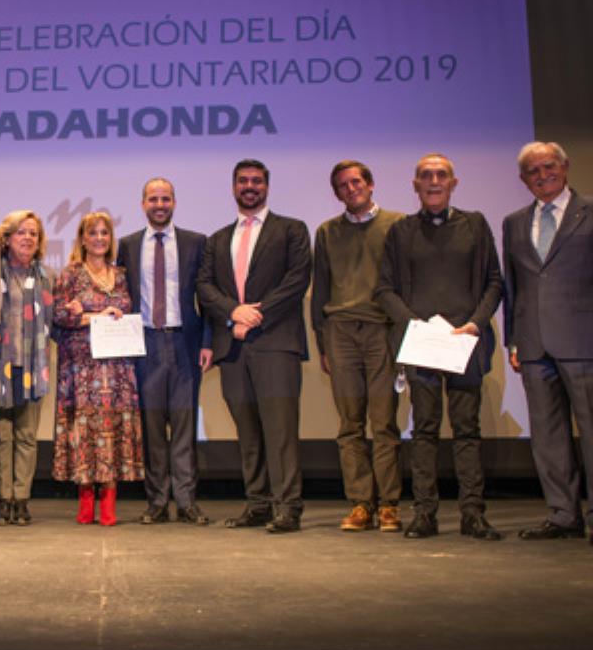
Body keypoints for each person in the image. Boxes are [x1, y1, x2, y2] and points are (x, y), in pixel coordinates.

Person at [376, 153, 503, 540]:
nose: (434, 181)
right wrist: (413, 325)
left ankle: (472, 514)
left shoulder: (475, 225)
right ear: (415, 185)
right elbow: (384, 289)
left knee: (467, 430)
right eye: (426, 176)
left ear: (453, 183)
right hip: (423, 346)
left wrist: (475, 324)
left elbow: (494, 283)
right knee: (425, 431)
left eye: (441, 175)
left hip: (464, 343)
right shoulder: (400, 232)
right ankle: (425, 514)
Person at [196, 159, 311, 534]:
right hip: (234, 349)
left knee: (280, 432)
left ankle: (288, 507)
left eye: (257, 181)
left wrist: (255, 316)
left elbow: (296, 280)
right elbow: (205, 286)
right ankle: (259, 503)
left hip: (276, 343)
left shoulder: (291, 230)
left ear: (267, 186)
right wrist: (233, 312)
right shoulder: (217, 239)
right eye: (243, 181)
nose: (250, 186)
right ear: (233, 187)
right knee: (248, 433)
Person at [503, 142, 593, 544]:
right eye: (533, 171)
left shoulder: (589, 212)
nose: (542, 175)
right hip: (534, 344)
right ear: (524, 180)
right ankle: (563, 514)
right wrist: (513, 342)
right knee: (548, 434)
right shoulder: (514, 221)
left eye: (548, 167)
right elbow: (513, 285)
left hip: (583, 340)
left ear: (565, 167)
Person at [310, 161, 405, 533]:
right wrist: (323, 343)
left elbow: (404, 283)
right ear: (336, 193)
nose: (351, 189)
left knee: (384, 421)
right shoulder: (327, 232)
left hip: (382, 330)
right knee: (350, 424)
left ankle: (389, 505)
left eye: (356, 182)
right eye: (343, 186)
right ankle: (361, 503)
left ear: (370, 184)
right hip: (341, 331)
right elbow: (320, 290)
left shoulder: (397, 225)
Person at [117, 178, 213, 525]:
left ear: (174, 202)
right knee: (152, 427)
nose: (160, 204)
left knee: (185, 426)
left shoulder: (195, 243)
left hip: (185, 343)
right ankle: (156, 501)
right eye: (153, 199)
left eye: (166, 198)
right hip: (145, 344)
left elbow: (208, 296)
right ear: (143, 203)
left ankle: (187, 501)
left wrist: (207, 342)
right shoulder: (127, 245)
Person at [52, 211, 144, 526]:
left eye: (105, 233)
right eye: (93, 233)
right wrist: (95, 316)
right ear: (83, 238)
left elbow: (130, 313)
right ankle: (85, 498)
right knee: (86, 430)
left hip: (117, 368)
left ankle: (108, 500)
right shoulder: (70, 274)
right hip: (81, 368)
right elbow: (60, 317)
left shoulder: (120, 274)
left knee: (113, 429)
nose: (100, 239)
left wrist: (102, 315)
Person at [0, 210, 55, 525]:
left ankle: (21, 499)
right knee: (0, 436)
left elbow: (55, 320)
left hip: (32, 366)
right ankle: (3, 499)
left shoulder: (47, 276)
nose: (28, 238)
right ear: (7, 238)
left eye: (33, 233)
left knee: (26, 435)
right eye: (21, 232)